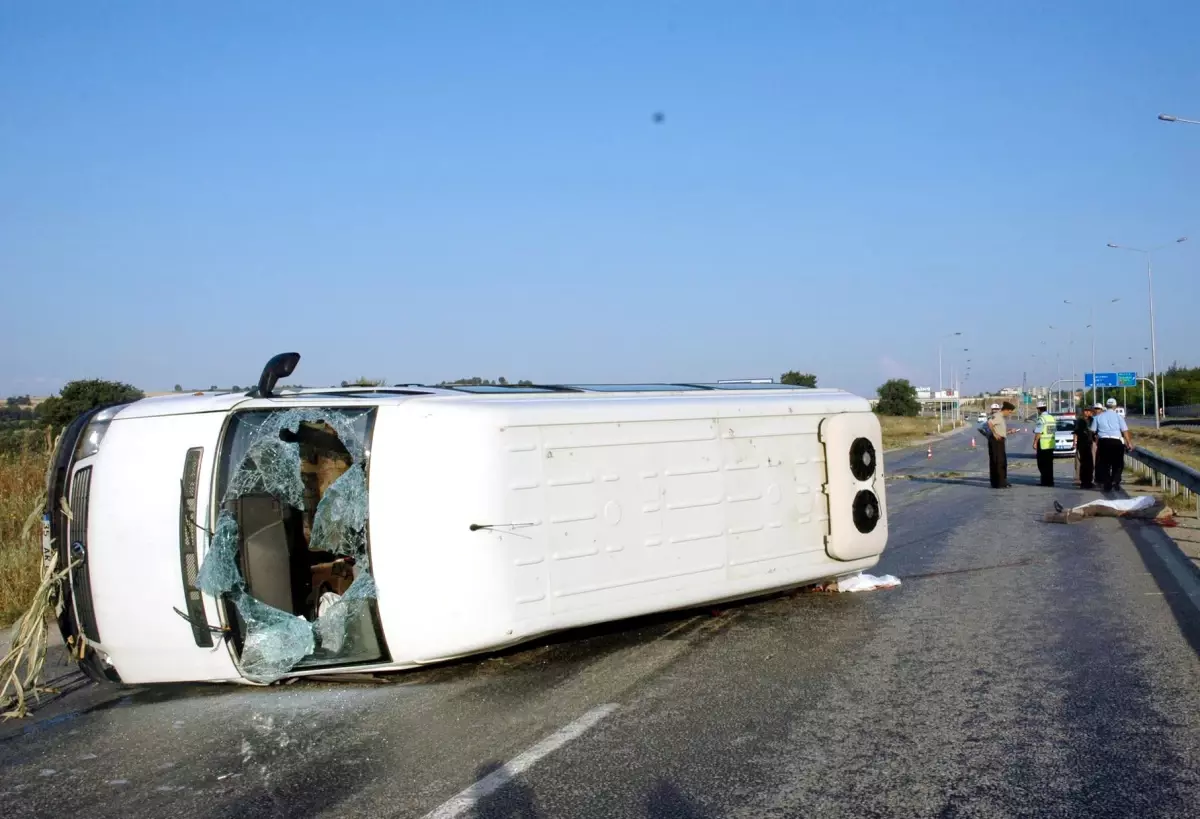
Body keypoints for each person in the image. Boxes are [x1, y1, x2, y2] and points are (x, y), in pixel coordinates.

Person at [1091, 397, 1134, 492]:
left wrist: (1096, 440)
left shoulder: (1098, 417)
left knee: (1104, 464)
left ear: (1105, 406)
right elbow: (1124, 431)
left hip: (1103, 442)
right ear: (1115, 406)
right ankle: (1115, 480)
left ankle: (1107, 483)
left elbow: (1093, 431)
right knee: (1118, 463)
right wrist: (1129, 443)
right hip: (1116, 442)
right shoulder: (1119, 417)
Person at [985, 401, 1014, 488]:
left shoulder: (1001, 417)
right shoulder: (998, 416)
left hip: (1000, 441)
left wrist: (1009, 432)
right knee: (998, 462)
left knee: (1002, 461)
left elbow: (1000, 431)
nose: (1010, 414)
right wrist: (995, 434)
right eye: (1009, 412)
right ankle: (999, 483)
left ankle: (1002, 481)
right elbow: (990, 423)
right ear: (1006, 410)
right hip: (996, 442)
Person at [1032, 400, 1057, 487]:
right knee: (1049, 465)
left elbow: (1039, 431)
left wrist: (1035, 442)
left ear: (1038, 409)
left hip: (1043, 444)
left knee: (1042, 464)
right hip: (1051, 444)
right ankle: (1050, 481)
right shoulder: (1051, 417)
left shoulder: (1041, 418)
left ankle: (1045, 481)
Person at [1073, 405, 1095, 489]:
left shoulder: (1093, 420)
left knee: (1090, 464)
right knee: (1083, 463)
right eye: (1086, 411)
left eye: (1089, 411)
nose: (1087, 412)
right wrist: (1074, 441)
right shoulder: (1080, 421)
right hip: (1082, 444)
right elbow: (1076, 432)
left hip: (1090, 443)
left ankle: (1089, 481)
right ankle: (1083, 482)